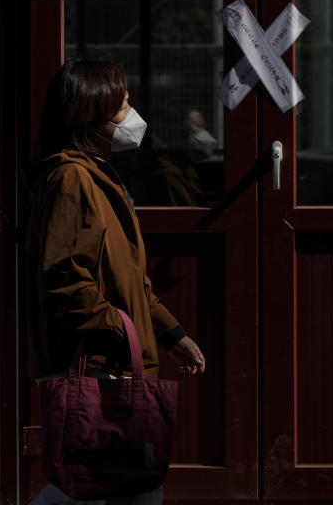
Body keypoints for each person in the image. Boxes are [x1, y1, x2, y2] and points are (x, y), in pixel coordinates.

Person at [24, 60, 206, 505]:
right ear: (92, 116)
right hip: (102, 365)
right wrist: (122, 330)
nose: (132, 114)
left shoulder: (98, 176)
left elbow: (130, 279)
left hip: (117, 359)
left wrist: (171, 333)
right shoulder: (72, 179)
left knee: (120, 486)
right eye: (123, 104)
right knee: (117, 487)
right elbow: (65, 282)